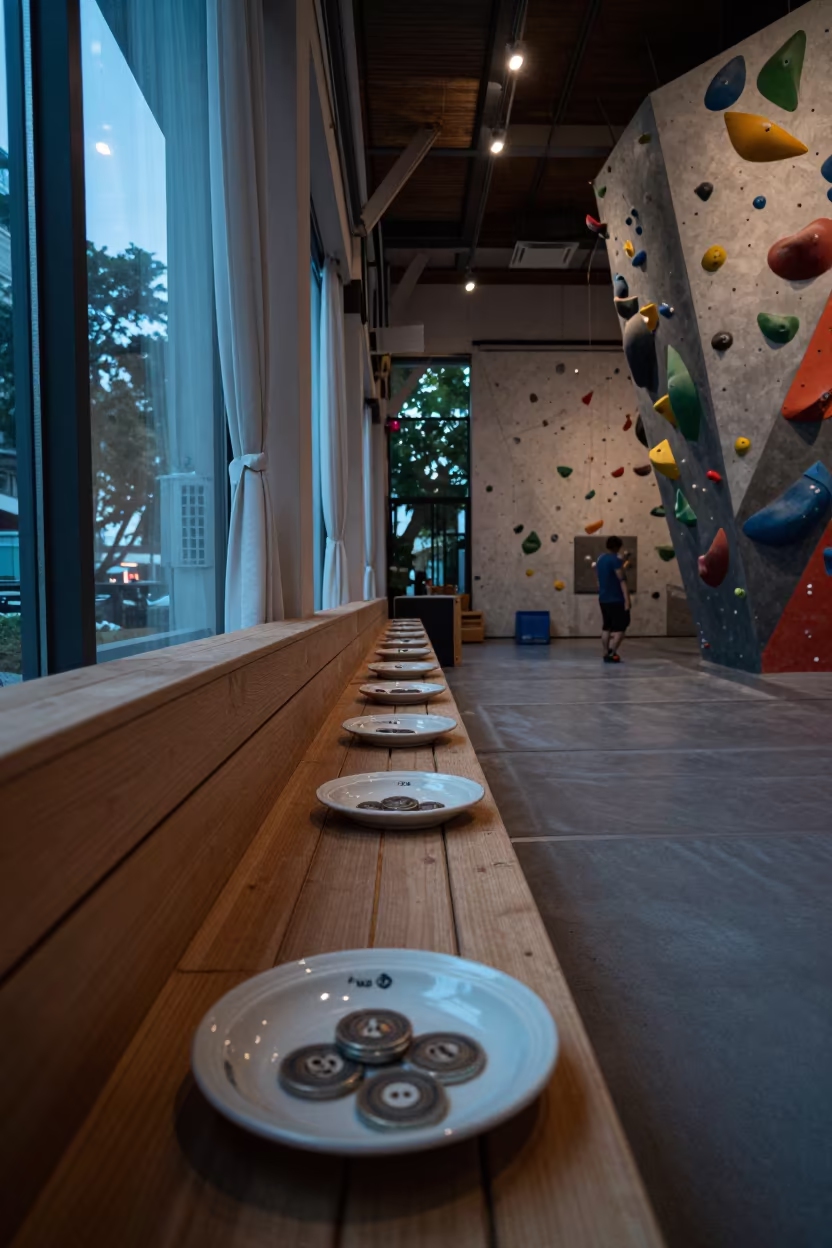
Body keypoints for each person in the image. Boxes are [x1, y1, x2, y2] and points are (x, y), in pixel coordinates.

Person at [596, 536, 631, 663]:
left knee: (607, 627)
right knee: (621, 627)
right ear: (618, 547)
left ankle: (605, 652)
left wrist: (622, 561)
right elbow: (621, 580)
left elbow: (607, 574)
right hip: (616, 599)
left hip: (603, 598)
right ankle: (612, 652)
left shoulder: (600, 559)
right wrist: (627, 600)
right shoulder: (615, 560)